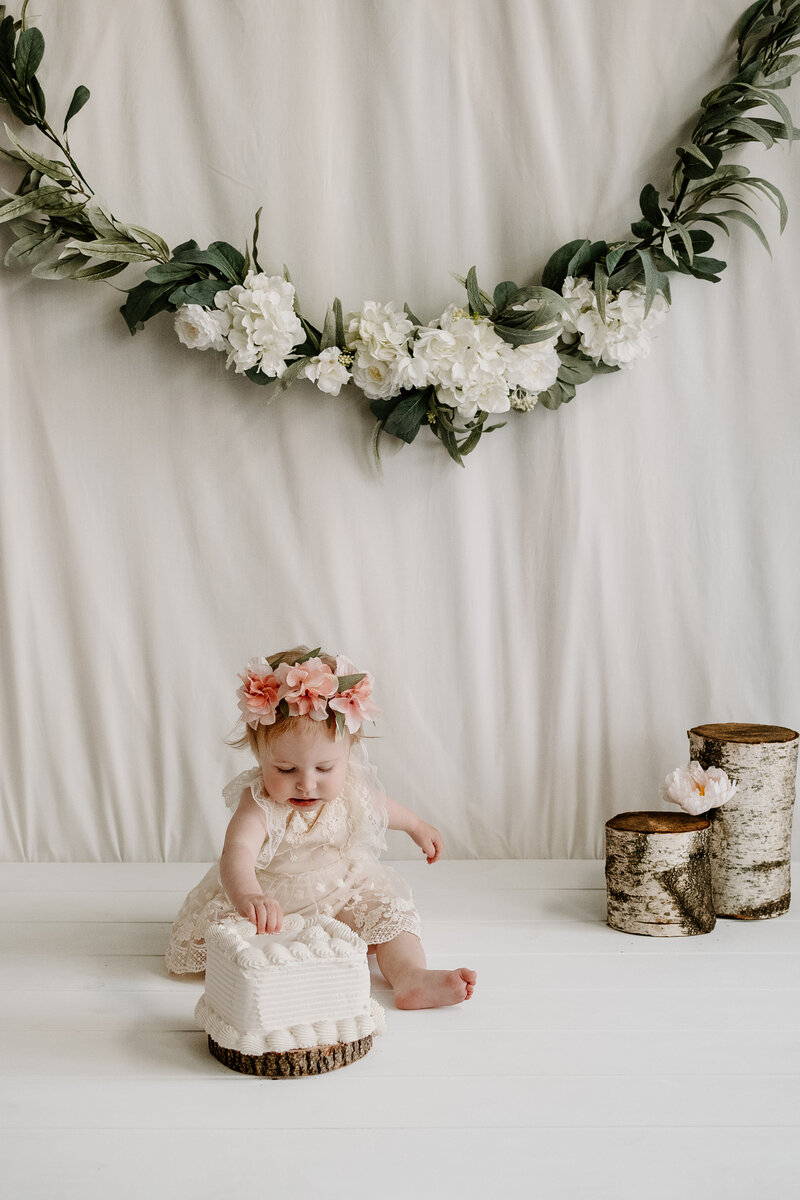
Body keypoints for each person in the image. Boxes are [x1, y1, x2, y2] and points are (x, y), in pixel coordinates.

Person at [166, 646, 477, 1009]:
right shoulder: (260, 803)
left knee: (392, 913)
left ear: (348, 754)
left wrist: (417, 826)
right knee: (256, 950)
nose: (307, 784)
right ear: (259, 755)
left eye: (325, 769)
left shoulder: (348, 789)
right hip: (273, 905)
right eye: (285, 769)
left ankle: (410, 976)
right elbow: (238, 851)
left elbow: (380, 807)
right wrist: (249, 896)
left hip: (342, 890)